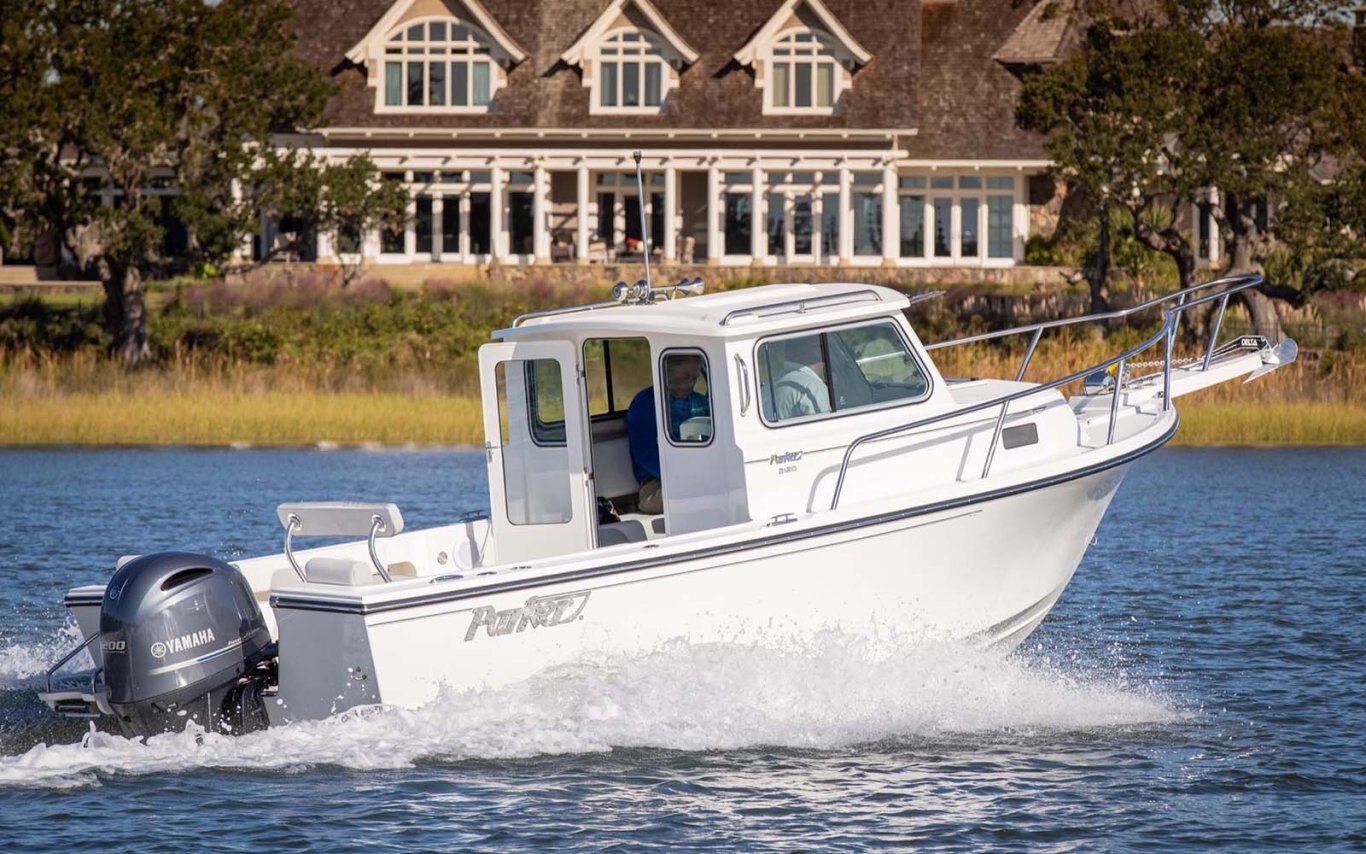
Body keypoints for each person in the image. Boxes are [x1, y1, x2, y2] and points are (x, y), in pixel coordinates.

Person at [625, 354, 709, 514]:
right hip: (657, 484)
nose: (691, 383)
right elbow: (644, 453)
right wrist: (680, 476)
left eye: (695, 378)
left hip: (699, 475)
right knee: (694, 496)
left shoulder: (700, 403)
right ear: (666, 372)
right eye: (685, 377)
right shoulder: (644, 404)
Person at [768, 336, 831, 421]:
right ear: (816, 351)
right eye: (822, 346)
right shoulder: (812, 388)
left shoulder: (769, 385)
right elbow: (825, 428)